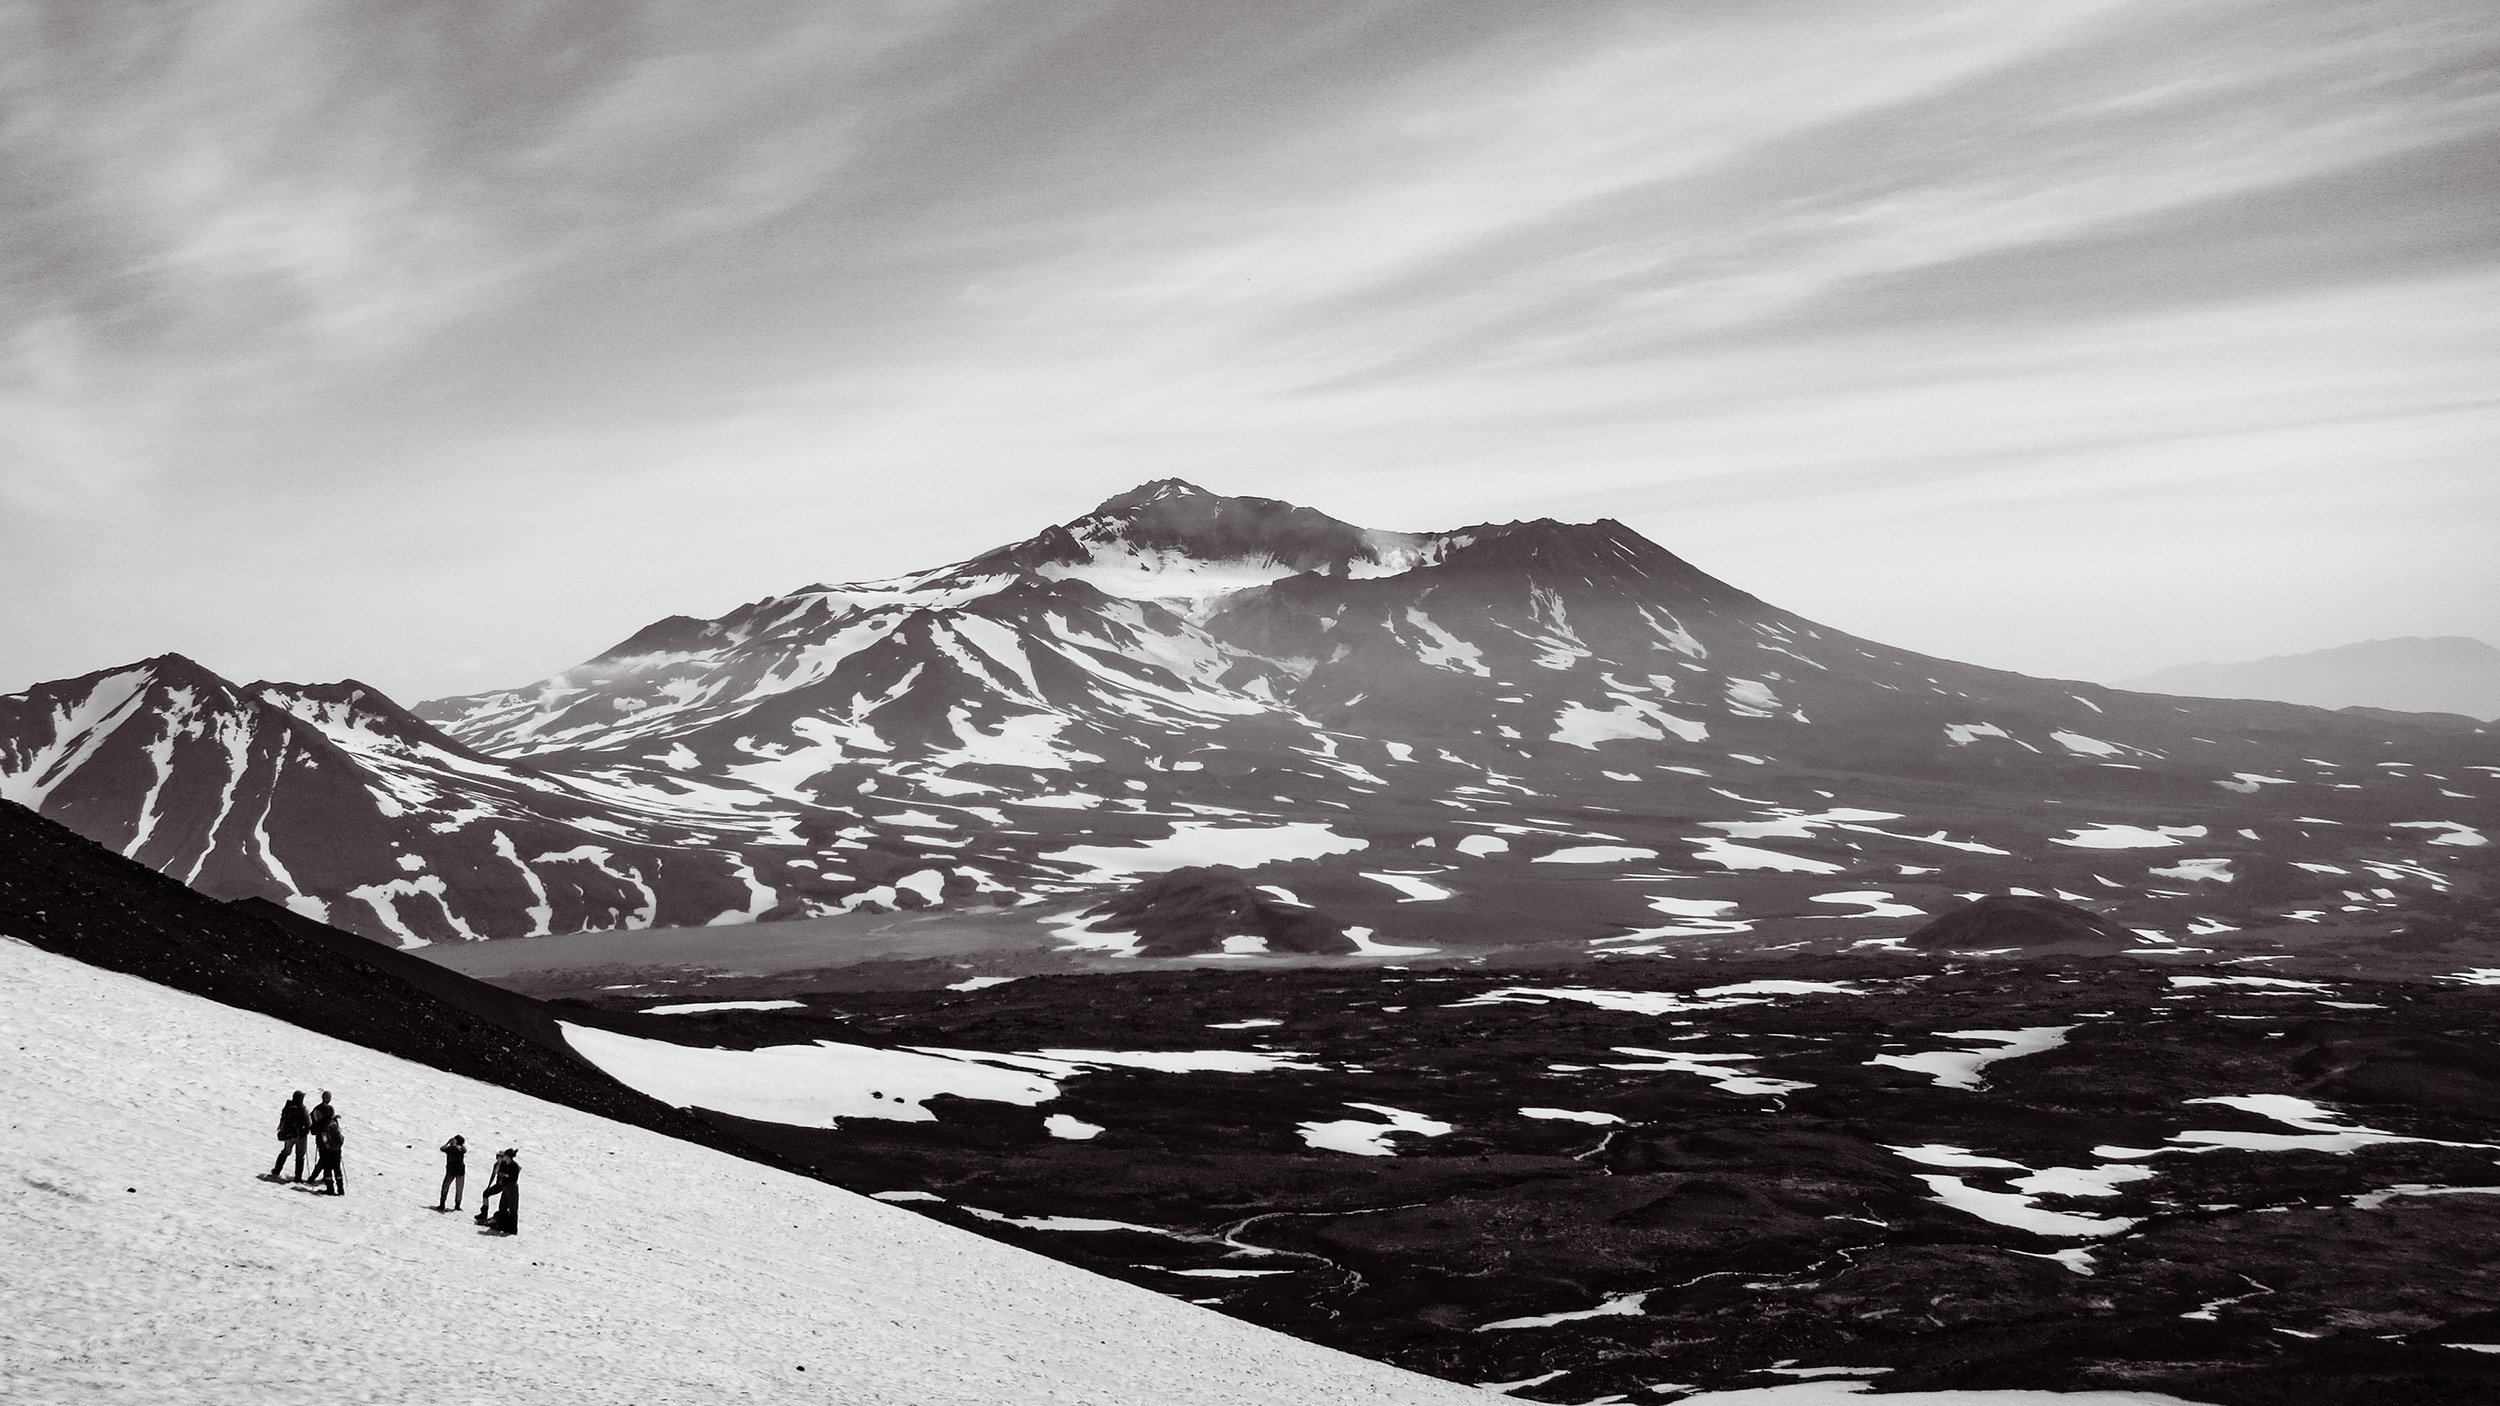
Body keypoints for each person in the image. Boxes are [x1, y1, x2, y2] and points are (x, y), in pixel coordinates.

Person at [268, 1091, 310, 1181]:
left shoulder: (288, 1107)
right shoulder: (302, 1109)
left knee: (286, 1151)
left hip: (288, 1135)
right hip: (300, 1135)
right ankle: (298, 1177)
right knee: (300, 1156)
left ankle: (276, 1171)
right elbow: (309, 1123)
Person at [472, 1149, 511, 1227]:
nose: (499, 1158)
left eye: (501, 1157)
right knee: (485, 1193)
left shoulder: (507, 1166)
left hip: (505, 1186)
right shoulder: (496, 1165)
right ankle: (484, 1213)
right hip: (499, 1185)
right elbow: (493, 1175)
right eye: (498, 1157)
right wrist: (489, 1186)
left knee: (503, 1203)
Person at [309, 1115, 345, 1196]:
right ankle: (341, 1190)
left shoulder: (323, 1124)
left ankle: (330, 1189)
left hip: (327, 1151)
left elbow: (317, 1134)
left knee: (327, 1170)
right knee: (337, 1169)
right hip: (337, 1151)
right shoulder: (334, 1123)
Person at [487, 1150, 520, 1236]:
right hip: (505, 1188)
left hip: (512, 1188)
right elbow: (499, 1172)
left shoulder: (514, 1166)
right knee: (502, 1206)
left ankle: (512, 1229)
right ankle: (502, 1225)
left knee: (513, 1209)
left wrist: (505, 1177)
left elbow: (513, 1179)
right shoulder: (504, 1164)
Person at [436, 1136, 467, 1211]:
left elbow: (464, 1150)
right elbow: (442, 1148)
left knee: (450, 1187)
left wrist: (451, 1143)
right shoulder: (451, 1149)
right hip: (455, 1170)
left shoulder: (457, 1149)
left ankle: (449, 1205)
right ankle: (453, 1205)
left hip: (455, 1171)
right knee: (454, 1188)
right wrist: (448, 1143)